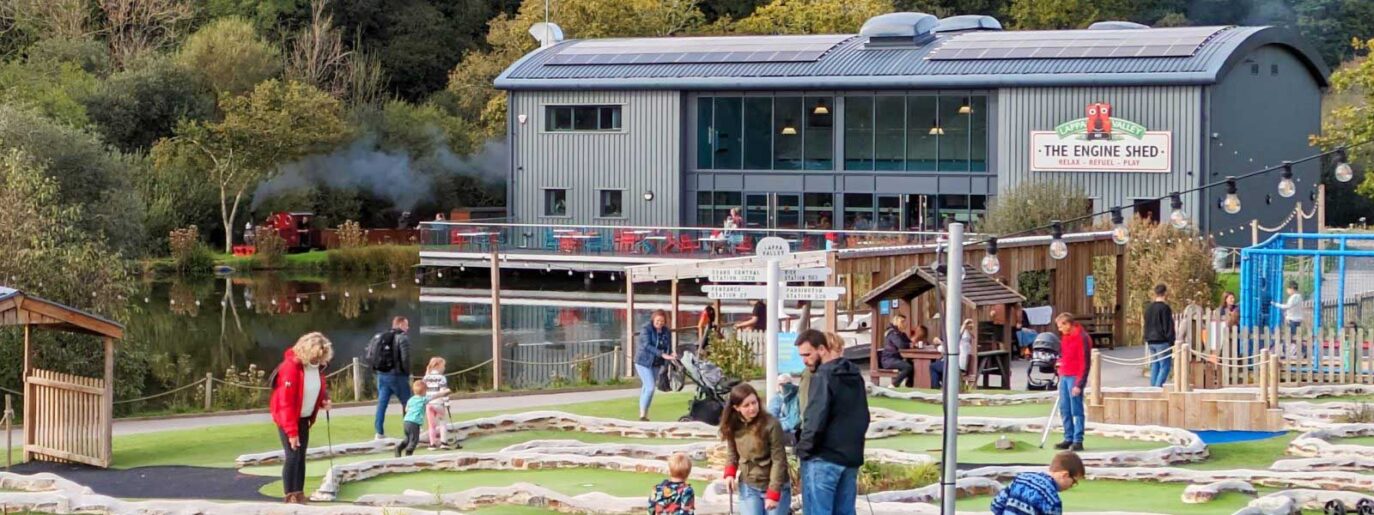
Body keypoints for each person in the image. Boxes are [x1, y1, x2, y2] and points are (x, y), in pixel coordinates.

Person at [795, 329, 869, 515]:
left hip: (823, 457)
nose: (804, 360)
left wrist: (802, 450)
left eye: (807, 354)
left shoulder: (822, 376)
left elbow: (814, 419)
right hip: (850, 457)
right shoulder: (855, 375)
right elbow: (864, 416)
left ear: (821, 349)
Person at [269, 332, 333, 504]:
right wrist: (291, 432)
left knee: (301, 456)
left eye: (321, 357)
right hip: (287, 418)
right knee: (292, 456)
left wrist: (323, 400)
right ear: (306, 351)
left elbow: (314, 388)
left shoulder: (316, 368)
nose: (318, 360)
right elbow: (286, 403)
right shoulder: (290, 368)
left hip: (304, 418)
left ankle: (299, 493)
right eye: (316, 356)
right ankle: (289, 495)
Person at [722, 383, 792, 515]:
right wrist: (730, 473)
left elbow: (779, 460)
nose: (752, 408)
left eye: (754, 403)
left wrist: (774, 492)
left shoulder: (772, 424)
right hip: (749, 485)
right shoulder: (732, 425)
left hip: (775, 484)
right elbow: (732, 453)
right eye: (746, 405)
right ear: (736, 408)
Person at [989, 451, 1086, 515]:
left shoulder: (1021, 478)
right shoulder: (1052, 500)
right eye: (1074, 481)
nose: (1072, 486)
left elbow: (996, 505)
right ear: (1065, 475)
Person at [1054, 313, 1092, 452]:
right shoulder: (1065, 336)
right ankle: (1068, 437)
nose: (1059, 329)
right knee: (1064, 408)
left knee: (1076, 409)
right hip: (1065, 374)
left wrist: (1079, 384)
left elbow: (1085, 362)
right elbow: (1064, 354)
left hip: (1075, 376)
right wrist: (1060, 363)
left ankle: (1078, 440)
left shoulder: (1082, 338)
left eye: (1060, 326)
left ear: (1067, 324)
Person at [372, 316, 413, 440]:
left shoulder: (380, 337)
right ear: (400, 325)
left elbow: (370, 354)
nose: (408, 327)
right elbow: (405, 358)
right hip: (398, 375)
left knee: (382, 404)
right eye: (406, 325)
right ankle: (410, 431)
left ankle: (379, 432)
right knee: (408, 403)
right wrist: (407, 373)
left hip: (382, 374)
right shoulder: (402, 338)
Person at [636, 309, 676, 421]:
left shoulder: (666, 331)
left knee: (646, 388)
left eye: (662, 321)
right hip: (644, 362)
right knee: (650, 388)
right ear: (653, 319)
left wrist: (671, 353)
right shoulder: (646, 329)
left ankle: (644, 413)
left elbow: (669, 345)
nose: (660, 323)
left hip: (656, 363)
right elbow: (646, 345)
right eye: (658, 321)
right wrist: (662, 354)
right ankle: (643, 415)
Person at [1143, 284, 1176, 388]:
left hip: (1151, 341)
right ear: (1165, 293)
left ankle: (1152, 388)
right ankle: (1157, 388)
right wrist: (1171, 341)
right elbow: (1168, 326)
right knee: (1165, 366)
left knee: (1155, 365)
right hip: (1162, 341)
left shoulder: (1149, 308)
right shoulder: (1165, 308)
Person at [422, 357, 456, 450]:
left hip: (429, 403)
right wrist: (447, 403)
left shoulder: (426, 377)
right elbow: (443, 391)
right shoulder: (441, 378)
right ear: (438, 366)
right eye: (443, 365)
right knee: (442, 422)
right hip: (438, 403)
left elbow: (423, 391)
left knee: (431, 425)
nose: (444, 368)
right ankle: (443, 442)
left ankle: (432, 444)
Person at [930, 319, 975, 390]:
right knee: (938, 365)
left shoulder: (960, 341)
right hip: (960, 366)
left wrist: (940, 342)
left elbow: (948, 349)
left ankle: (936, 388)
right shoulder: (966, 341)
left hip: (955, 366)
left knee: (933, 366)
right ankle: (942, 386)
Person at [880, 314, 915, 388]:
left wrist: (913, 344)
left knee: (913, 364)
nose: (905, 324)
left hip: (896, 358)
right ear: (898, 322)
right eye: (903, 322)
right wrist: (909, 345)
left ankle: (910, 386)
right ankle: (894, 384)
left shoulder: (902, 334)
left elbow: (909, 342)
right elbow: (900, 345)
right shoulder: (892, 333)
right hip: (889, 359)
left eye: (905, 322)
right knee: (907, 367)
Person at [396, 380, 428, 457]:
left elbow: (406, 409)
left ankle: (399, 447)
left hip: (406, 421)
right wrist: (444, 393)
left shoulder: (411, 399)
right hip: (414, 422)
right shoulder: (423, 399)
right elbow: (434, 397)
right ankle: (409, 452)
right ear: (424, 391)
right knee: (414, 439)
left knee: (408, 438)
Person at [767, 374, 801, 446]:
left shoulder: (796, 397)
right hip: (784, 433)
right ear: (777, 386)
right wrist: (788, 424)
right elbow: (771, 420)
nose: (784, 386)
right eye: (781, 384)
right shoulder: (776, 399)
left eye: (788, 383)